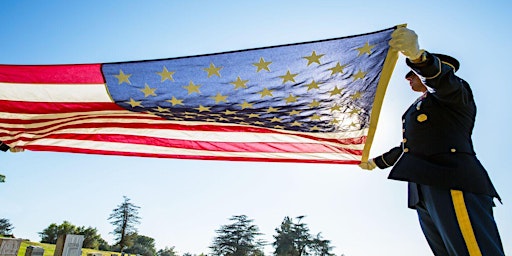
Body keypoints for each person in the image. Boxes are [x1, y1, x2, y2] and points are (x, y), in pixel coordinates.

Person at [359, 27, 504, 255]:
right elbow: (407, 146)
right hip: (422, 187)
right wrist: (376, 162)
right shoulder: (415, 107)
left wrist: (420, 58)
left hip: (450, 177)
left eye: (413, 73)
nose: (408, 78)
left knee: (472, 250)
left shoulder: (456, 94)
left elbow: (444, 82)